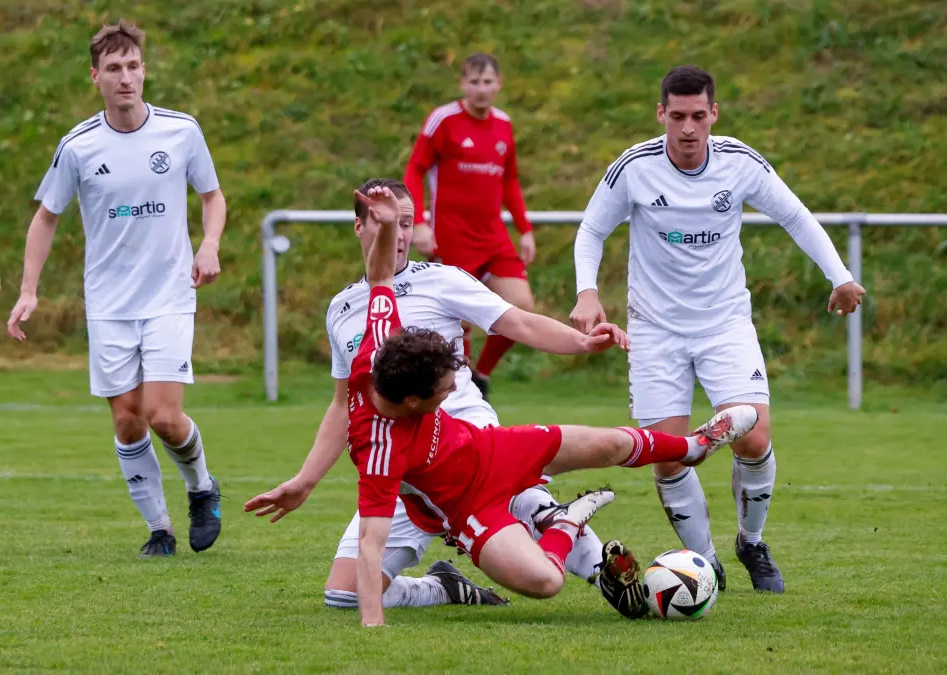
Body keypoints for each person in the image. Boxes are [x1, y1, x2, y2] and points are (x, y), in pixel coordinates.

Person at [246, 186, 758, 626]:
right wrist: (306, 480)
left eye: (407, 223)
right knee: (345, 595)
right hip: (415, 479)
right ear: (360, 226)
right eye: (387, 224)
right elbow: (343, 404)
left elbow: (519, 322)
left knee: (563, 471)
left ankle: (634, 524)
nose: (399, 234)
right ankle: (457, 579)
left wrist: (581, 343)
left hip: (476, 438)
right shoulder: (344, 314)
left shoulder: (436, 284)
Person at [569, 65, 867, 593]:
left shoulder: (739, 162)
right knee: (668, 454)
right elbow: (593, 228)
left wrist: (840, 276)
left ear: (714, 114)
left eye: (697, 116)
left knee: (754, 437)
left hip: (724, 324)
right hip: (655, 330)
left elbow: (795, 216)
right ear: (661, 114)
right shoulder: (634, 167)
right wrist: (586, 291)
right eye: (677, 116)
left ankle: (752, 542)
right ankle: (704, 563)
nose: (688, 128)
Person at [5, 19, 225, 557]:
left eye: (132, 66)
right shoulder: (78, 146)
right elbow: (45, 218)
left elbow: (212, 197)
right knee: (128, 420)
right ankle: (160, 530)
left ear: (144, 71)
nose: (125, 77)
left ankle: (202, 487)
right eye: (113, 69)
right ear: (95, 77)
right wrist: (29, 290)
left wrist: (209, 245)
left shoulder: (181, 131)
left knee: (163, 415)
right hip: (108, 303)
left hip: (169, 294)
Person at [403, 52, 535, 396]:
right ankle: (458, 391)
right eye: (474, 82)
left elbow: (510, 180)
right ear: (463, 84)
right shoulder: (444, 120)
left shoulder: (503, 124)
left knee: (521, 305)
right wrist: (418, 222)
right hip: (452, 237)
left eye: (488, 82)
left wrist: (525, 229)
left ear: (499, 84)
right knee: (457, 322)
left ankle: (480, 373)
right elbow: (415, 169)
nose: (481, 89)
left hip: (494, 238)